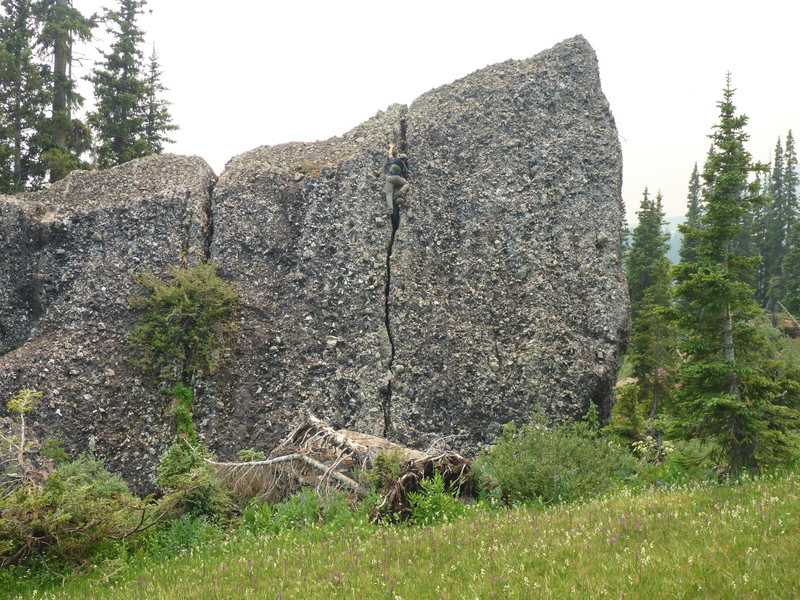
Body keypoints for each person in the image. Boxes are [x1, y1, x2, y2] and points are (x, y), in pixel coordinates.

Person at [384, 144, 410, 212]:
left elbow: (390, 154)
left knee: (389, 194)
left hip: (389, 178)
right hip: (397, 178)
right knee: (406, 184)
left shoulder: (393, 160)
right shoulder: (403, 164)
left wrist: (391, 147)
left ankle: (390, 209)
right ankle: (401, 192)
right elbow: (406, 173)